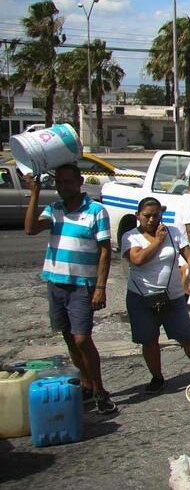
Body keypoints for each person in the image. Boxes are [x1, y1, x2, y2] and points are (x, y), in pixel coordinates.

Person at [23, 163, 117, 414]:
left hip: (82, 286)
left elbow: (105, 251)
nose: (63, 187)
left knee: (82, 338)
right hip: (56, 283)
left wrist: (100, 287)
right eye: (59, 183)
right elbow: (30, 229)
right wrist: (34, 192)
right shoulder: (54, 210)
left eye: (68, 182)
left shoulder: (96, 211)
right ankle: (86, 385)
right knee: (69, 337)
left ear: (79, 182)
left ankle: (100, 390)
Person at [122, 197, 190, 394]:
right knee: (149, 339)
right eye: (147, 216)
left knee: (186, 336)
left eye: (156, 215)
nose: (151, 220)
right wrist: (157, 241)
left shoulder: (173, 232)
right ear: (137, 216)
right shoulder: (130, 237)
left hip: (173, 296)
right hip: (142, 297)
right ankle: (157, 377)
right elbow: (137, 259)